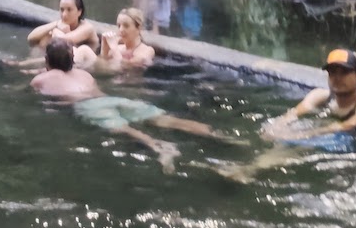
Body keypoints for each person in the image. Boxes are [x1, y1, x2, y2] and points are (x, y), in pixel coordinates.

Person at [32, 39, 242, 173]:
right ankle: (220, 135)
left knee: (125, 129)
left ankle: (159, 146)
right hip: (110, 99)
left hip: (88, 107)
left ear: (46, 61)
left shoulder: (42, 78)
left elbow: (38, 91)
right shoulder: (84, 74)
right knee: (166, 119)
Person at [263, 48, 356, 142]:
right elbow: (293, 113)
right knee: (282, 145)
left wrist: (304, 135)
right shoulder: (320, 95)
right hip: (318, 137)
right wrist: (275, 128)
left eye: (344, 72)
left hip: (350, 146)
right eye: (332, 73)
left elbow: (353, 123)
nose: (338, 78)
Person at [27, 0, 100, 53]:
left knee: (54, 37)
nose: (64, 14)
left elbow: (65, 40)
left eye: (69, 10)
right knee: (45, 39)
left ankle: (30, 64)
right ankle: (34, 63)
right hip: (67, 61)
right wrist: (55, 24)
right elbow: (31, 38)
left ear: (79, 12)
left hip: (88, 64)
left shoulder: (87, 28)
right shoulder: (59, 24)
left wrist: (55, 30)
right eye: (62, 10)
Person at [89, 7, 156, 71]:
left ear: (139, 28)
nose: (121, 29)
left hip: (130, 81)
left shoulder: (147, 50)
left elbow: (126, 67)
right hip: (111, 78)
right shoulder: (118, 48)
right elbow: (100, 67)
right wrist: (104, 47)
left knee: (85, 51)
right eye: (119, 26)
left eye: (126, 26)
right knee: (85, 50)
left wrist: (114, 48)